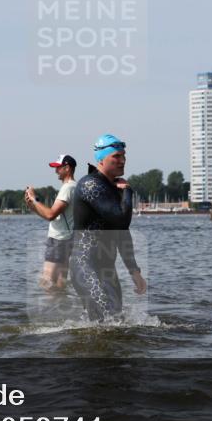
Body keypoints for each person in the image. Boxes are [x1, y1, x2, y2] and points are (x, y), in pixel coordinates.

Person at [70, 135, 147, 320]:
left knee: (117, 322)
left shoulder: (113, 187)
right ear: (101, 159)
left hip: (107, 268)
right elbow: (121, 219)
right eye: (116, 156)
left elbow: (121, 233)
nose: (122, 160)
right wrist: (127, 191)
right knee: (104, 320)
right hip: (85, 265)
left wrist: (134, 271)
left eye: (123, 156)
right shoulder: (90, 185)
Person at [25, 154, 77, 292]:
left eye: (58, 168)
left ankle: (49, 312)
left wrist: (34, 199)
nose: (56, 171)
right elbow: (51, 215)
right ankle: (61, 311)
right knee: (60, 282)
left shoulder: (67, 188)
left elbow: (50, 215)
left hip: (59, 239)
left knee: (46, 282)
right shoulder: (74, 187)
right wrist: (33, 205)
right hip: (67, 238)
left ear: (67, 168)